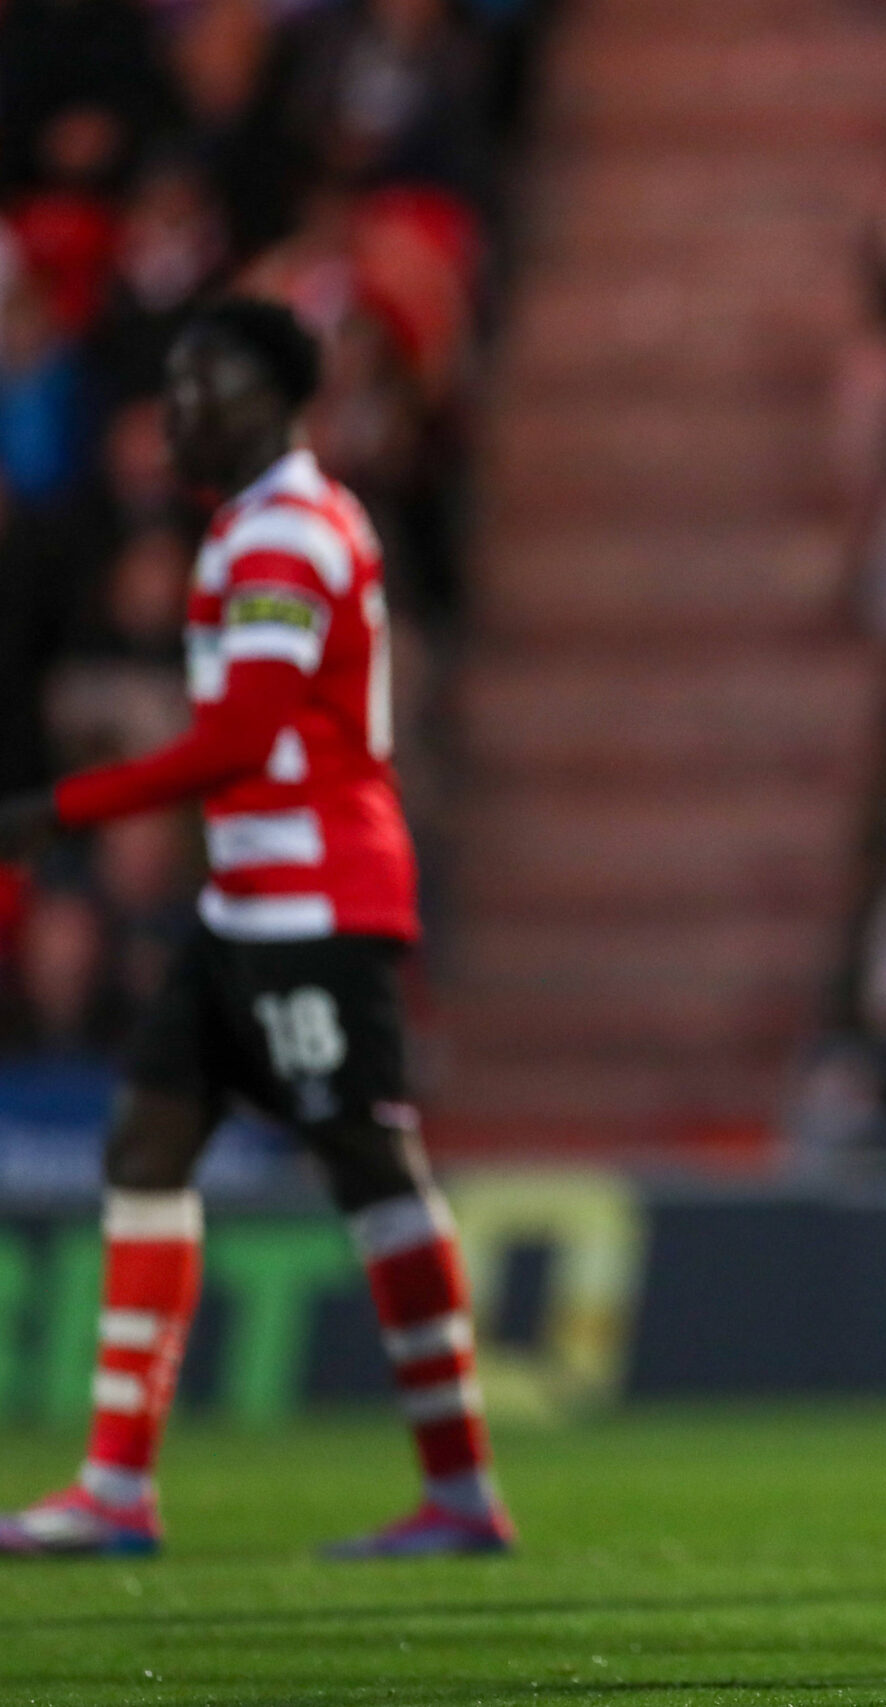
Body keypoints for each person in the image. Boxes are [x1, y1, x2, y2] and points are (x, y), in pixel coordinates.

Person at [0, 299, 511, 1560]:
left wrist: (60, 810)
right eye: (173, 385)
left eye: (203, 386)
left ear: (271, 401)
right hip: (245, 905)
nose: (178, 410)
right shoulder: (250, 523)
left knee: (370, 1168)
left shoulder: (286, 531)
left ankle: (459, 1492)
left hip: (317, 905)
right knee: (146, 1142)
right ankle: (115, 1489)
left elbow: (241, 739)